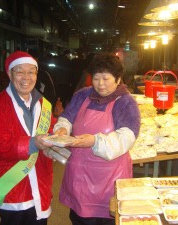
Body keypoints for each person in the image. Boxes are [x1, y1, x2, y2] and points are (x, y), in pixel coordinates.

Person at [53, 52, 141, 225]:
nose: (100, 84)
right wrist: (62, 128)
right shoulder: (82, 95)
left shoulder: (126, 102)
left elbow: (127, 137)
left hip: (109, 177)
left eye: (106, 79)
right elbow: (67, 117)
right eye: (96, 78)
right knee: (79, 218)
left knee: (106, 219)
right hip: (79, 175)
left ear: (118, 79)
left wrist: (95, 141)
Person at [0, 51, 56, 225]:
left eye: (31, 72)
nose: (26, 77)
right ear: (10, 73)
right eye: (20, 72)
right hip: (14, 186)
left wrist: (56, 140)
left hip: (41, 180)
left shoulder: (43, 104)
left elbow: (51, 128)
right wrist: (32, 144)